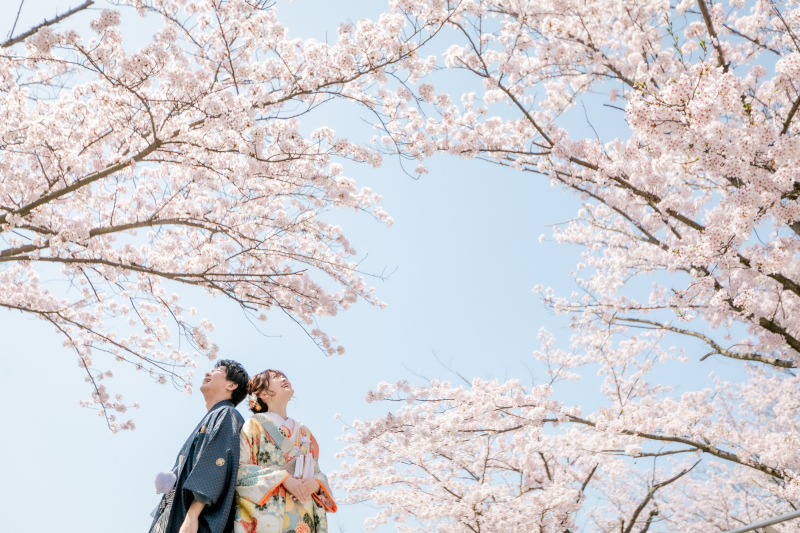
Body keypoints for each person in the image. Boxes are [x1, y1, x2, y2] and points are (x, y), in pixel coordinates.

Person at [149, 360, 250, 533]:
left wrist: (192, 515)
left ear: (231, 385)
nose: (207, 374)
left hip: (195, 519)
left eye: (217, 370)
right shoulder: (213, 417)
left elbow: (216, 464)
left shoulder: (227, 414)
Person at [234, 369, 337, 533]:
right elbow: (239, 470)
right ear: (262, 394)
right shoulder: (254, 425)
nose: (283, 378)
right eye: (275, 377)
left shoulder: (304, 432)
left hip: (304, 515)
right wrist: (282, 478)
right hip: (269, 515)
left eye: (283, 376)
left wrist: (316, 484)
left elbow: (317, 472)